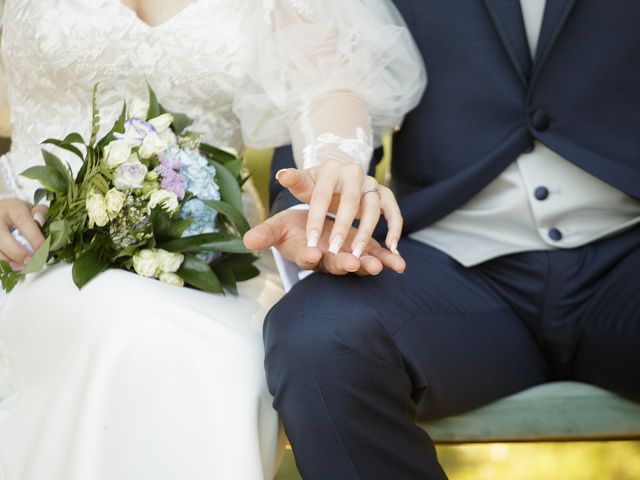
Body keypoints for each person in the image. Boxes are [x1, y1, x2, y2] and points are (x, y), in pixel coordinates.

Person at [0, 0, 422, 478]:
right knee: (122, 322)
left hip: (216, 258)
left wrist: (332, 161)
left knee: (228, 358)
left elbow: (327, 86)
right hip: (28, 245)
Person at [246, 0, 640, 478]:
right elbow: (329, 61)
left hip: (627, 254)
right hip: (448, 266)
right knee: (318, 338)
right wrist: (319, 205)